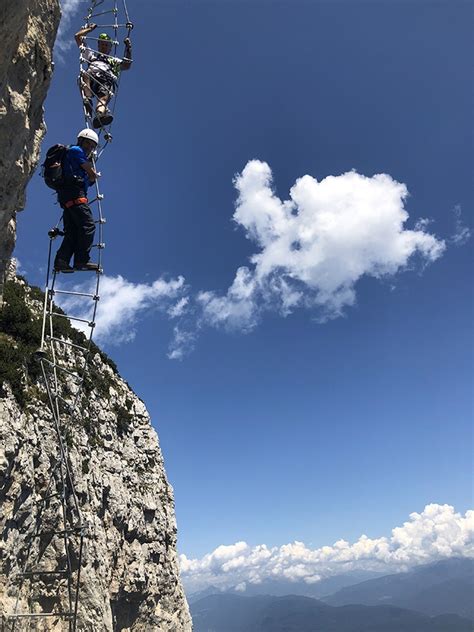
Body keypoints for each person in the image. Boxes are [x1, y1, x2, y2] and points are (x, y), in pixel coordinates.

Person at [53, 129, 101, 273]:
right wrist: (93, 173)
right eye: (87, 143)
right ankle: (81, 260)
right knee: (88, 226)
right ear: (80, 141)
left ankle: (62, 261)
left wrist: (91, 176)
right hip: (75, 197)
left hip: (69, 199)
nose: (89, 147)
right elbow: (90, 174)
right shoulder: (76, 150)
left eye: (92, 146)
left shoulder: (75, 162)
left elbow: (88, 180)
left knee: (72, 232)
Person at [75, 24, 132, 128]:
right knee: (85, 74)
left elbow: (127, 65)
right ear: (98, 45)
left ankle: (99, 115)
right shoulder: (91, 55)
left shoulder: (113, 61)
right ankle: (88, 99)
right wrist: (89, 29)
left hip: (106, 79)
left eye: (106, 45)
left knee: (103, 98)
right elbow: (78, 37)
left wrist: (128, 48)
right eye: (102, 44)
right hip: (91, 76)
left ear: (110, 47)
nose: (104, 46)